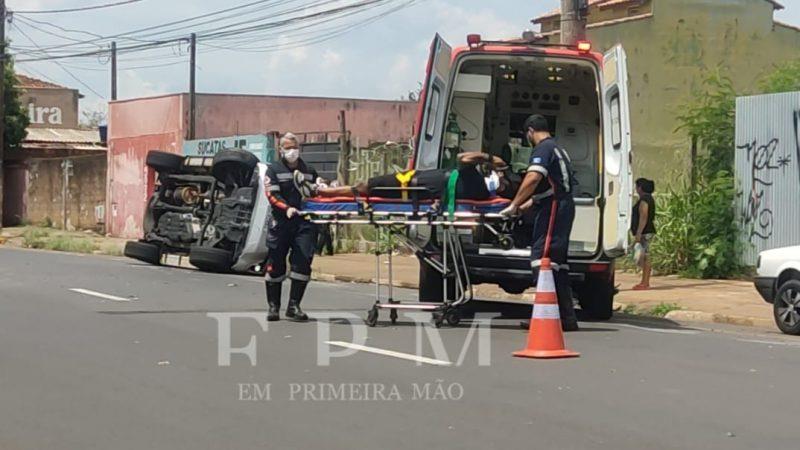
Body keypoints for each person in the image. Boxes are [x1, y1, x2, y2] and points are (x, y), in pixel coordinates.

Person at [500, 114, 579, 331]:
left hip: (554, 208)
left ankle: (546, 317)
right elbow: (555, 186)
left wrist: (515, 204)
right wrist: (529, 203)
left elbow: (534, 178)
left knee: (541, 259)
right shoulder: (559, 149)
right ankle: (566, 318)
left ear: (530, 132)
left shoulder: (542, 149)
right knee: (558, 264)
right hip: (562, 206)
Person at [263, 132, 319, 322]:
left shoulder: (309, 170)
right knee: (275, 263)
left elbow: (316, 193)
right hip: (281, 222)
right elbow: (271, 195)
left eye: (294, 147)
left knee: (303, 262)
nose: (292, 151)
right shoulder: (273, 170)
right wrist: (286, 208)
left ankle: (294, 306)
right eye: (288, 148)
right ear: (281, 150)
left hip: (304, 222)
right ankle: (273, 306)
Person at [314, 151, 520, 201]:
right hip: (415, 179)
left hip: (412, 185)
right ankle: (325, 188)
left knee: (363, 187)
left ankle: (323, 191)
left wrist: (490, 158)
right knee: (364, 186)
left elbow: (462, 157)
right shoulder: (481, 189)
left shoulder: (479, 187)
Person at [631, 178, 656, 290]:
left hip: (645, 232)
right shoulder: (648, 198)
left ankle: (645, 282)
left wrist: (638, 233)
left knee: (645, 256)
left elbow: (643, 216)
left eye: (636, 186)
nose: (635, 189)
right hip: (646, 231)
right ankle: (645, 281)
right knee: (645, 256)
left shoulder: (644, 200)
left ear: (640, 188)